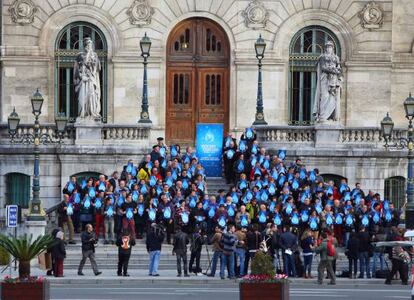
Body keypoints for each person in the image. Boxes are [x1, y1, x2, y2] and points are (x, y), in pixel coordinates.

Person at [74, 37, 101, 119]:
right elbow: (76, 69)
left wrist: (94, 59)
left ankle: (92, 113)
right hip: (84, 80)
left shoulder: (94, 55)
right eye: (88, 43)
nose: (90, 45)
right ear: (85, 45)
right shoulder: (80, 55)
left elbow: (98, 68)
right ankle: (83, 114)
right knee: (83, 97)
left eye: (91, 44)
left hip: (92, 79)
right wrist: (79, 77)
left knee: (92, 96)